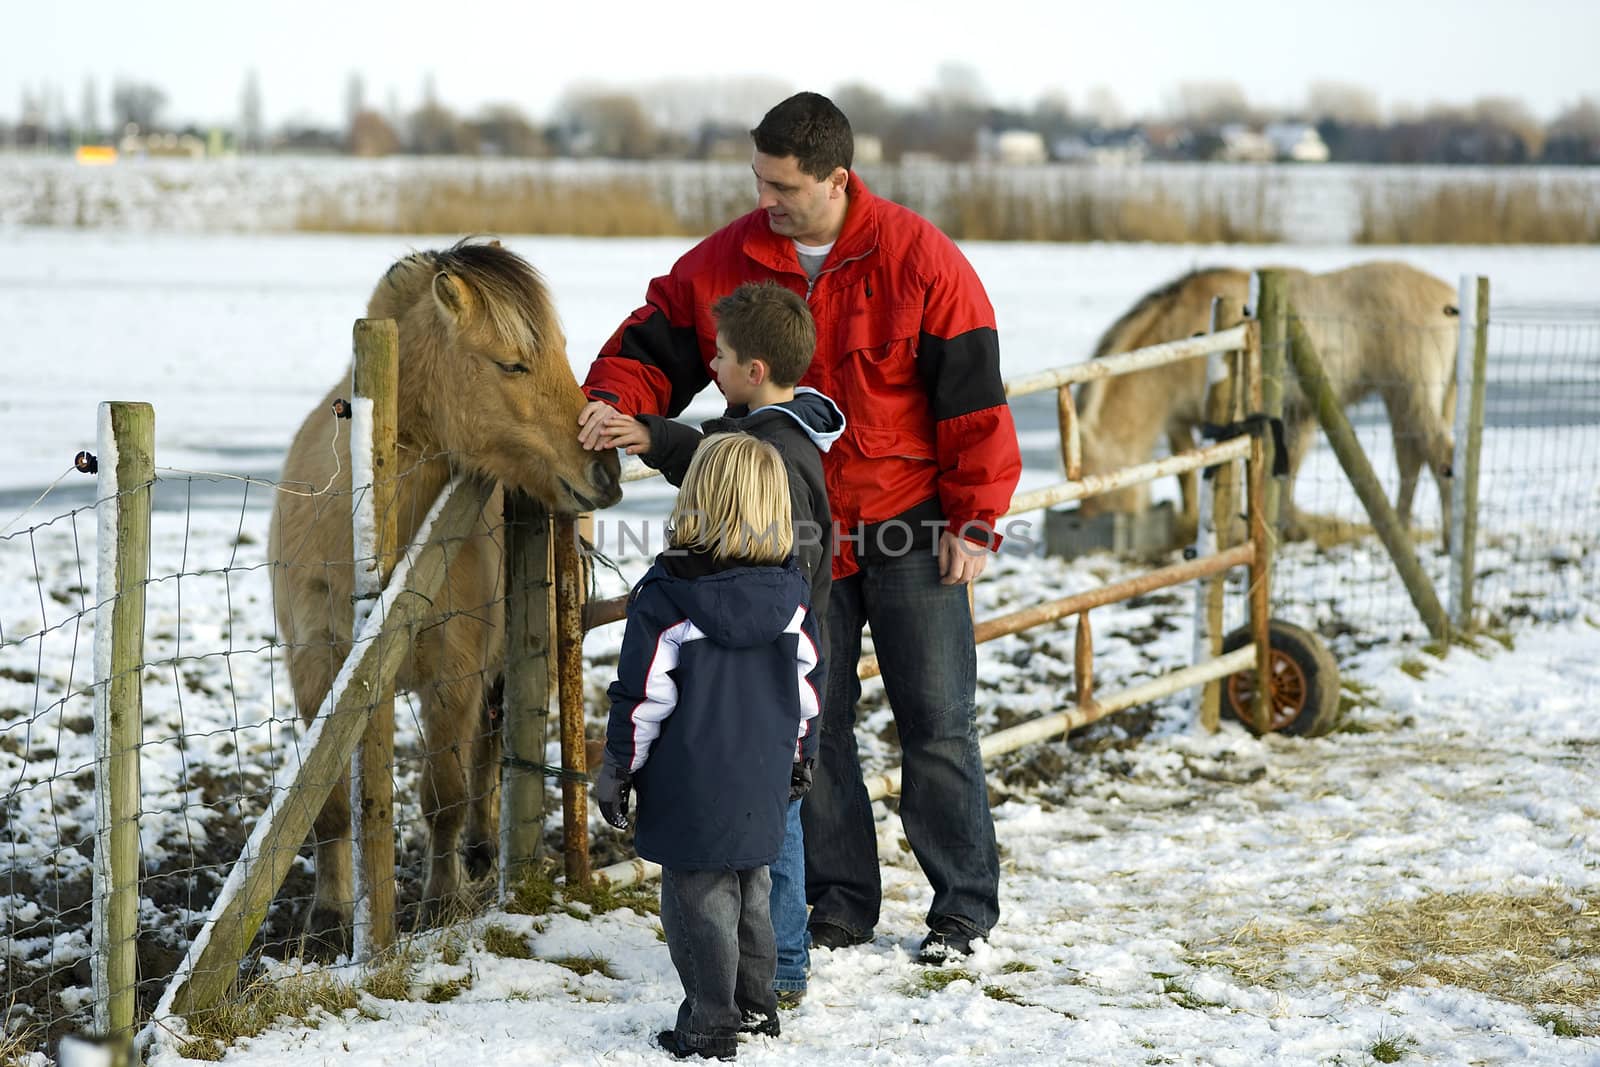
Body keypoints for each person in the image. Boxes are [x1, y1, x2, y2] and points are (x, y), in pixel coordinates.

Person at [578, 92, 1021, 964]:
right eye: (759, 180)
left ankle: (963, 910)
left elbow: (973, 399)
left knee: (938, 721)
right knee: (817, 724)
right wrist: (610, 404)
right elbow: (654, 343)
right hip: (795, 543)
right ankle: (841, 904)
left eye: (782, 185)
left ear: (836, 178)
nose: (766, 200)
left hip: (909, 527)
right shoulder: (729, 259)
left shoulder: (921, 258)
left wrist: (975, 520)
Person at [599, 280, 843, 1007]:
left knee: (776, 835)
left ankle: (781, 966)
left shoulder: (770, 461)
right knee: (773, 824)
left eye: (722, 353)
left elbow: (726, 462)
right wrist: (653, 432)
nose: (710, 363)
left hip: (754, 673)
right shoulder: (781, 437)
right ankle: (767, 976)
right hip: (779, 675)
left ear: (754, 369)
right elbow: (721, 450)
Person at [594, 433, 825, 1061]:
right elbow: (809, 690)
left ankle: (710, 1023)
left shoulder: (668, 596)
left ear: (697, 500)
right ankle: (757, 1007)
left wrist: (619, 765)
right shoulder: (792, 596)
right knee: (753, 892)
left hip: (688, 782)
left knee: (699, 904)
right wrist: (801, 756)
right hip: (762, 778)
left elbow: (644, 699)